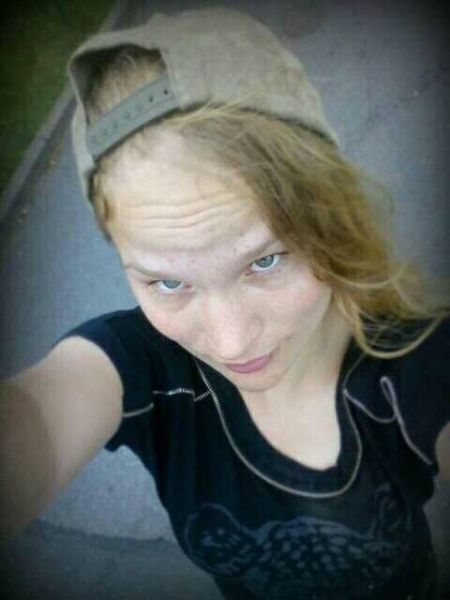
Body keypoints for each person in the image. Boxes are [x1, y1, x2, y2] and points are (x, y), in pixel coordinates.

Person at [1, 6, 449, 599]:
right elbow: (40, 419)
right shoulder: (141, 367)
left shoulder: (416, 364)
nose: (232, 342)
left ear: (330, 212)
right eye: (167, 283)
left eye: (266, 260)